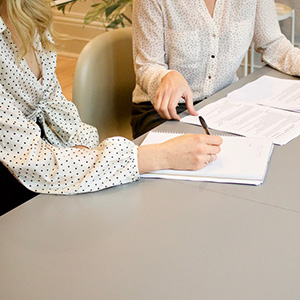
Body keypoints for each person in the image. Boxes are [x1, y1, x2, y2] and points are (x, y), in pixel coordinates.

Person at [0, 0, 222, 215]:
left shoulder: (30, 13)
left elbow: (55, 106)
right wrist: (161, 156)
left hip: (47, 167)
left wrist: (83, 149)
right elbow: (35, 162)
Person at [131, 0, 300, 138]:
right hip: (165, 112)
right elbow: (147, 65)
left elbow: (272, 44)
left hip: (223, 104)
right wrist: (165, 77)